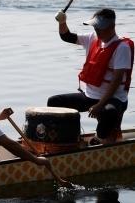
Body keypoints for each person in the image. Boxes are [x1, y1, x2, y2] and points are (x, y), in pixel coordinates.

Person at [50, 8, 132, 144]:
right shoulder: (91, 38)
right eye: (95, 27)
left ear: (112, 27)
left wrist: (100, 105)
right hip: (90, 96)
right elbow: (67, 36)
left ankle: (99, 139)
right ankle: (67, 139)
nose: (97, 31)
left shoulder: (122, 47)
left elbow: (116, 81)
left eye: (100, 28)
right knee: (54, 102)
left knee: (109, 112)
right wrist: (62, 22)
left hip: (114, 99)